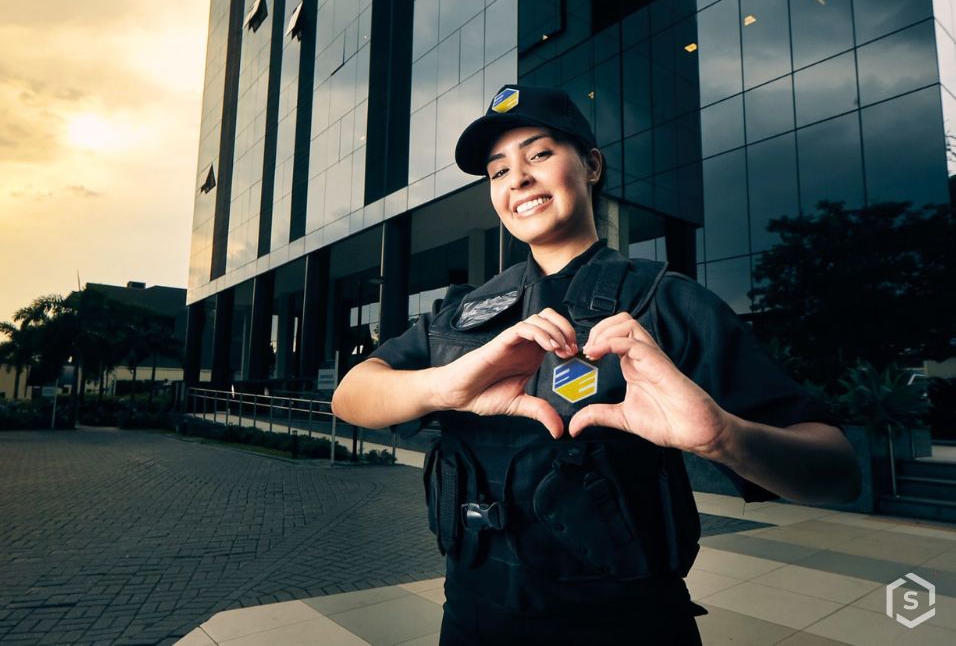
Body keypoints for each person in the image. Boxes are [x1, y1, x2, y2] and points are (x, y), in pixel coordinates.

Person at [331, 85, 861, 645]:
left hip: (625, 629)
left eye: (539, 155)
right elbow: (351, 396)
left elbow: (838, 474)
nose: (518, 179)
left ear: (591, 166)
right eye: (498, 171)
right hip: (471, 622)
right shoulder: (462, 313)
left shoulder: (666, 301)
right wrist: (448, 384)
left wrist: (722, 437)